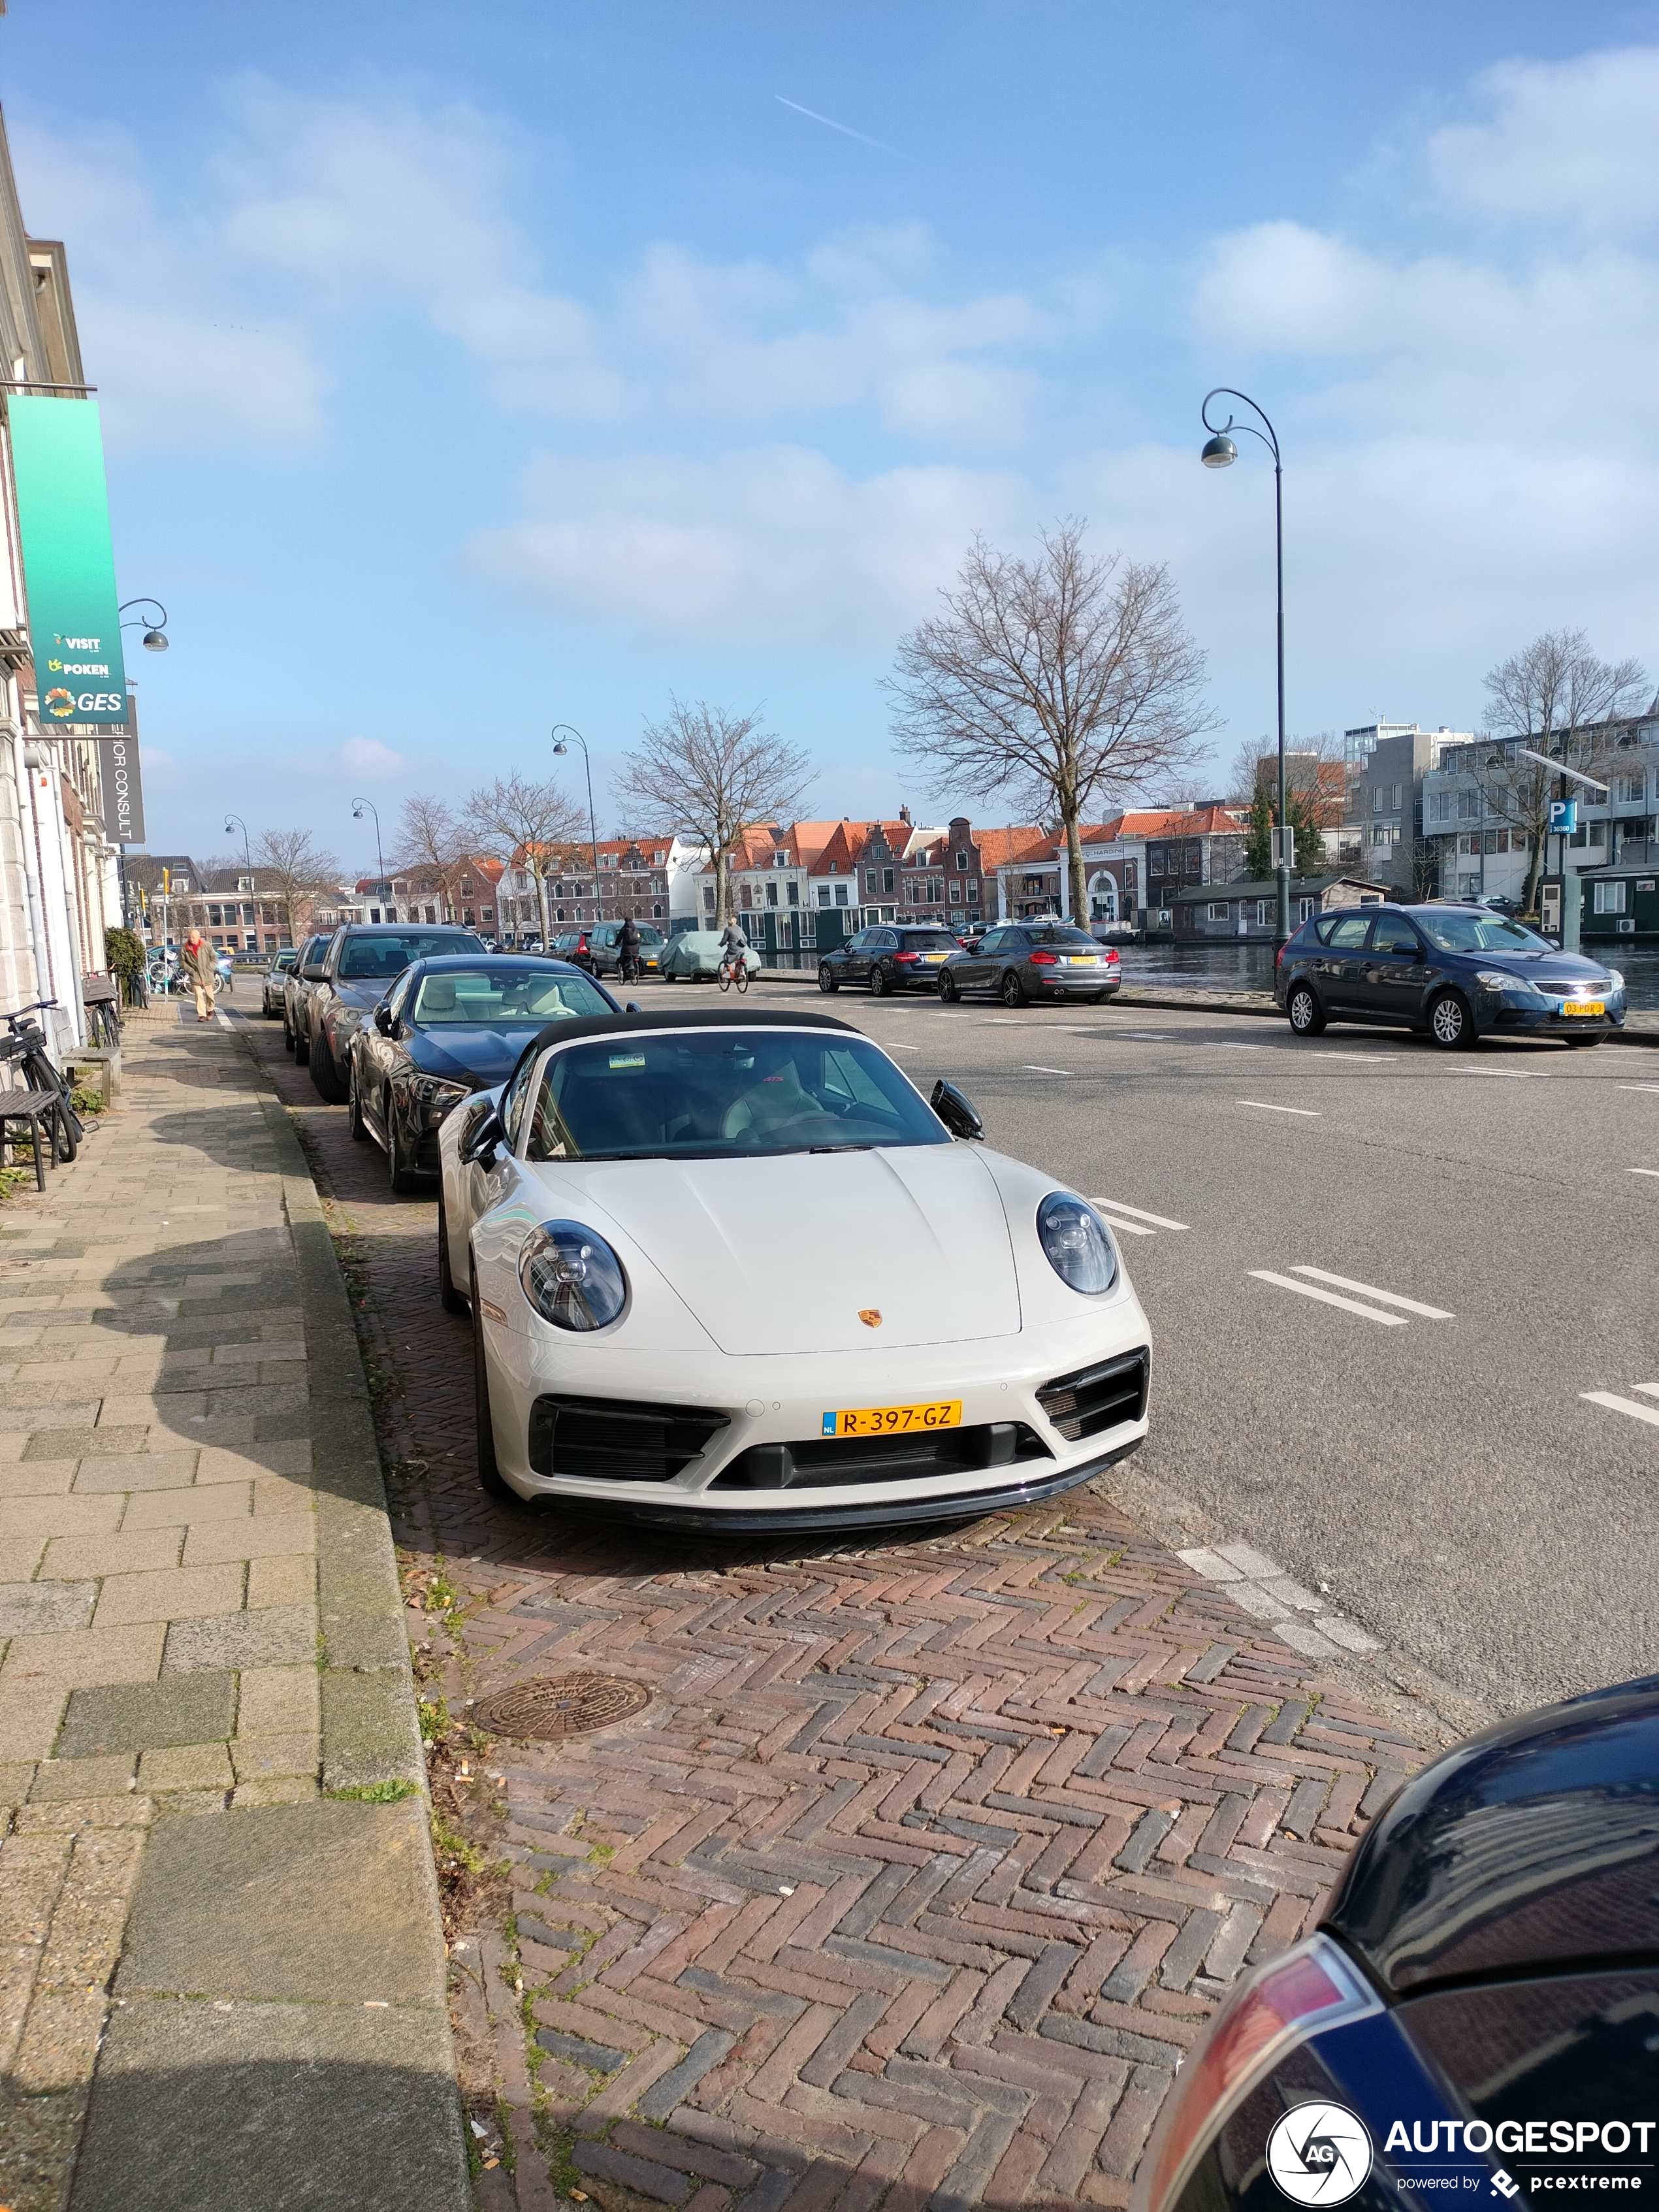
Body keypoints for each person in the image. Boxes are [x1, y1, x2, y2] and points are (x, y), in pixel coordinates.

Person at [180, 928, 219, 1022]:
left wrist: (210, 968)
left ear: (198, 937)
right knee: (198, 995)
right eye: (190, 937)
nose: (191, 939)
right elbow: (182, 962)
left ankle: (210, 1010)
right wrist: (191, 971)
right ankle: (202, 1015)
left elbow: (214, 958)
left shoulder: (206, 945)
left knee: (210, 995)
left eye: (193, 937)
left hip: (207, 974)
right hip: (195, 975)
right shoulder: (185, 948)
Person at [617, 915, 642, 984]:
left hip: (627, 948)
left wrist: (616, 944)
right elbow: (639, 937)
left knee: (623, 959)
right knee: (635, 957)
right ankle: (635, 969)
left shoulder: (624, 929)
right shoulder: (636, 929)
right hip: (636, 948)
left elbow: (619, 937)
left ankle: (625, 976)